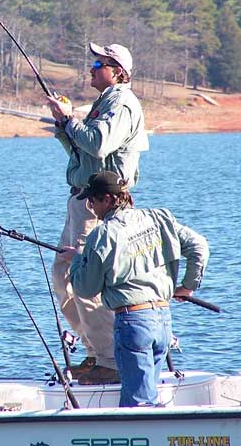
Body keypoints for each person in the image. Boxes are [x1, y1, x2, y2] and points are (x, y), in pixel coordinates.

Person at [46, 42, 149, 385]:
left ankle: (109, 360)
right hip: (80, 201)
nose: (91, 69)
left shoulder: (121, 103)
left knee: (85, 279)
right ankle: (96, 352)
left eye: (98, 63)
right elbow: (84, 151)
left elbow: (100, 143)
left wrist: (71, 120)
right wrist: (64, 126)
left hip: (99, 203)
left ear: (118, 71)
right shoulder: (104, 103)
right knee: (64, 275)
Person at [63, 170, 209, 406]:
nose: (90, 207)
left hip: (133, 324)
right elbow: (199, 246)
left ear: (109, 199)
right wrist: (188, 287)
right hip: (163, 322)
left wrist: (78, 259)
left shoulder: (102, 234)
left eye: (93, 200)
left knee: (139, 404)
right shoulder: (159, 218)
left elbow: (85, 289)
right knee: (148, 394)